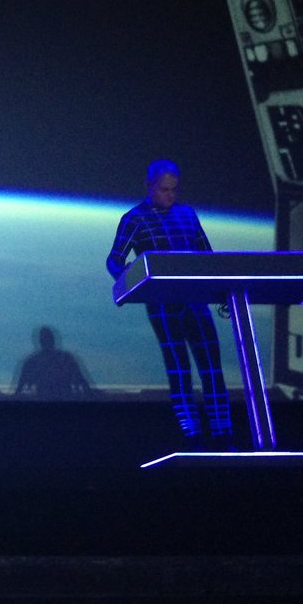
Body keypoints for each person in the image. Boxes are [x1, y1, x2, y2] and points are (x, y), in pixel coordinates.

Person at [106, 160, 232, 444]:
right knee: (179, 369)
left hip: (196, 301)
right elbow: (114, 259)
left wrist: (221, 290)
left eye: (174, 189)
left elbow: (208, 256)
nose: (170, 195)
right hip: (162, 304)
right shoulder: (134, 218)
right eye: (164, 190)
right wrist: (127, 279)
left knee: (212, 368)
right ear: (149, 186)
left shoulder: (188, 214)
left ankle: (223, 432)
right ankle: (192, 435)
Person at [14, 326, 92, 399]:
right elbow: (83, 383)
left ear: (40, 341)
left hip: (46, 401)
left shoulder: (32, 362)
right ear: (53, 340)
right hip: (63, 401)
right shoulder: (66, 359)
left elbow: (19, 390)